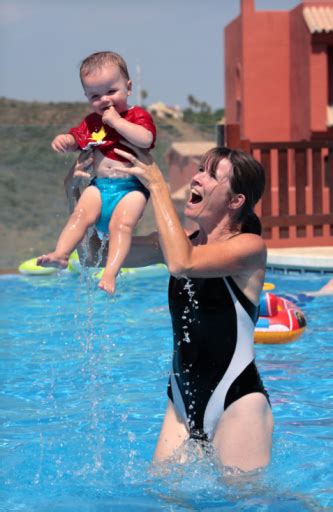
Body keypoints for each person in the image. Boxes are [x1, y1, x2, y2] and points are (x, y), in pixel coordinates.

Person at [67, 145, 274, 472]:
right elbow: (91, 255)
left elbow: (182, 263)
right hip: (180, 400)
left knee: (244, 503)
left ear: (236, 201)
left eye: (210, 174)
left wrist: (157, 185)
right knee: (164, 498)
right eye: (200, 169)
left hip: (237, 401)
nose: (197, 177)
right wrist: (76, 193)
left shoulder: (250, 248)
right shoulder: (179, 243)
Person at [37, 51, 156, 294]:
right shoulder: (91, 123)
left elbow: (146, 139)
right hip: (100, 186)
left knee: (121, 226)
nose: (104, 100)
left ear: (128, 87)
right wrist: (65, 141)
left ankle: (110, 274)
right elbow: (76, 139)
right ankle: (61, 254)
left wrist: (117, 123)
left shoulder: (137, 116)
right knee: (80, 214)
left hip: (131, 189)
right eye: (95, 96)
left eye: (111, 92)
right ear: (87, 97)